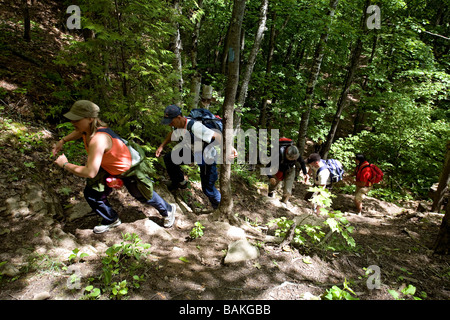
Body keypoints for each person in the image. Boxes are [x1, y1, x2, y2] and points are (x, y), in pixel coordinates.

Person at [53, 100, 177, 233]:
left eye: (76, 120)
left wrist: (65, 164)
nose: (73, 122)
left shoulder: (98, 139)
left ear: (90, 118)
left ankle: (168, 210)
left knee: (143, 195)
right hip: (108, 165)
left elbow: (90, 172)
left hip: (129, 169)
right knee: (92, 193)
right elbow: (80, 132)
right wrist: (63, 140)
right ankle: (111, 219)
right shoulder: (88, 129)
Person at [156, 104, 237, 209]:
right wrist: (162, 146)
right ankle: (180, 183)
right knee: (169, 158)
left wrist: (229, 148)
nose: (169, 124)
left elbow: (217, 136)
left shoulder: (195, 127)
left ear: (179, 118)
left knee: (208, 189)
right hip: (192, 152)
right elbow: (172, 134)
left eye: (171, 121)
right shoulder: (176, 125)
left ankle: (221, 209)